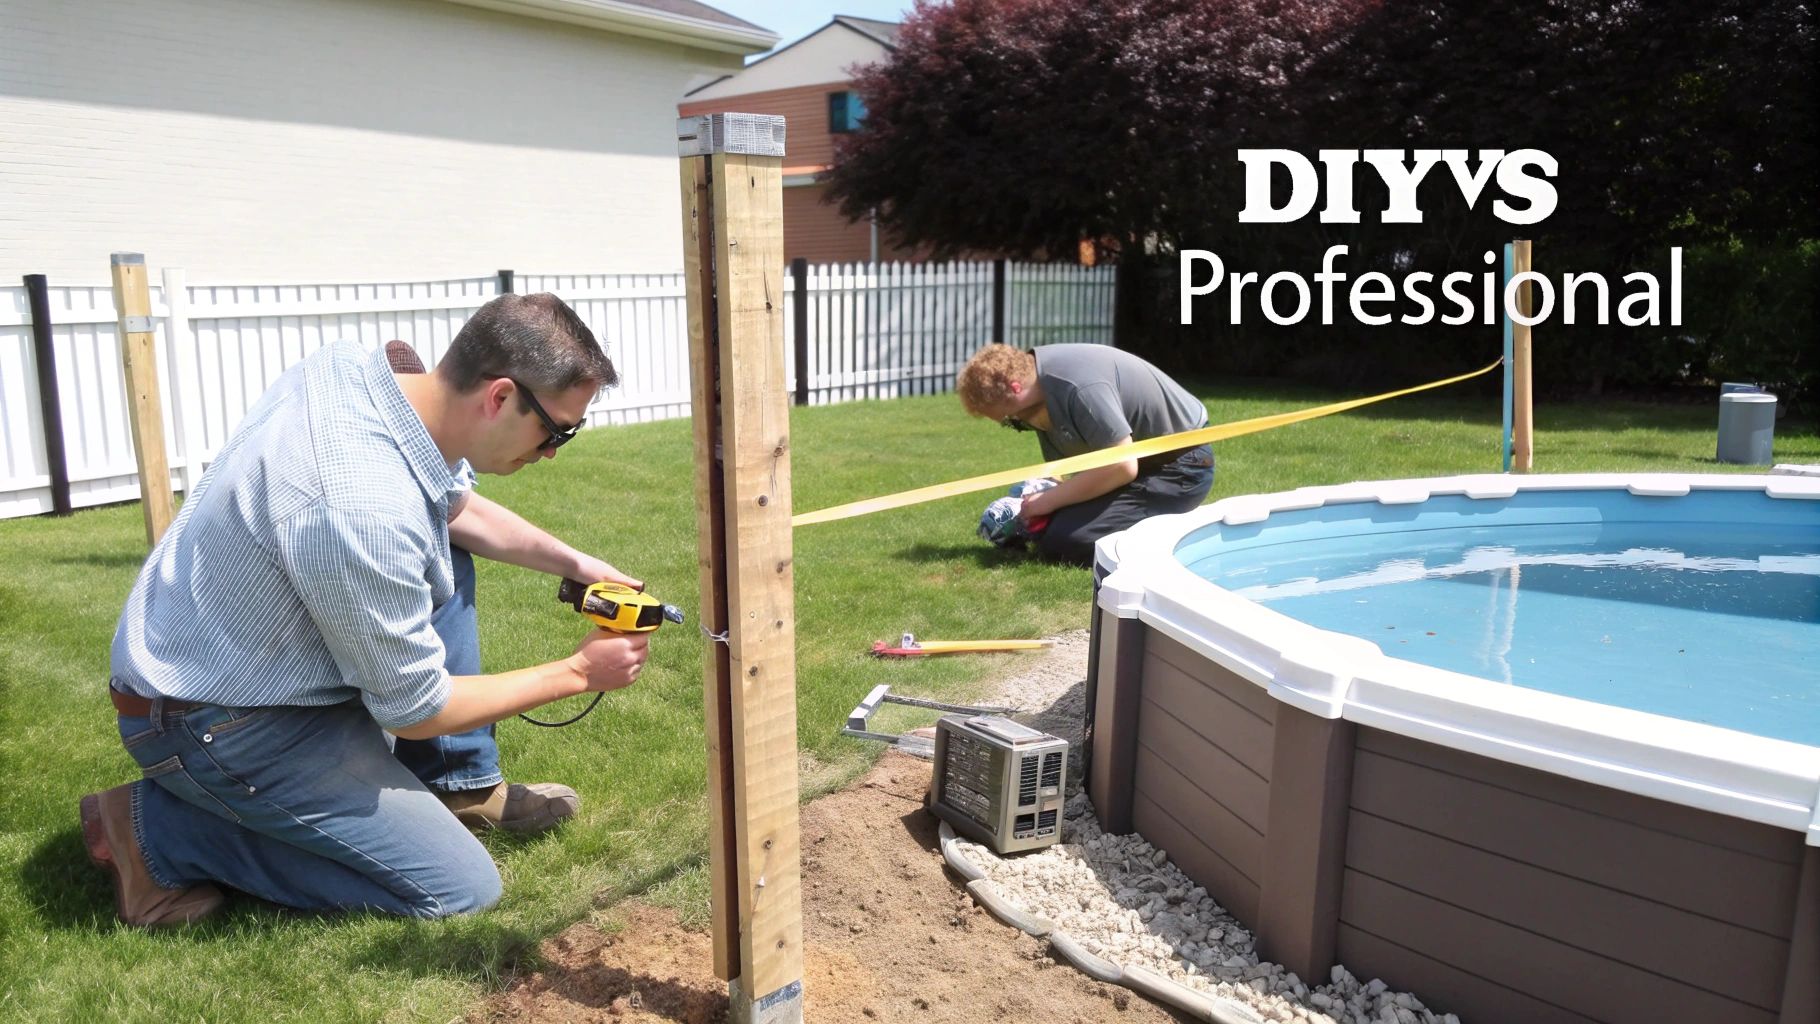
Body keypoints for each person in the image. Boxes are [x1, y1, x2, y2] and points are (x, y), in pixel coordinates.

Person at [80, 293, 649, 928]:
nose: (553, 451)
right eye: (558, 431)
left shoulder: (356, 373)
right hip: (218, 722)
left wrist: (577, 564)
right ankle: (156, 832)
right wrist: (578, 673)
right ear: (498, 397)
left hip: (226, 667)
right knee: (460, 889)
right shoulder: (363, 512)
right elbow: (417, 710)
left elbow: (454, 506)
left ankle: (453, 787)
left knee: (442, 545)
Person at [956, 343, 1215, 565]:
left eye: (1010, 419)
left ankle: (1181, 529)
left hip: (1180, 466)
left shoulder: (1078, 386)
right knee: (1054, 527)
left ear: (1015, 388)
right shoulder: (1038, 385)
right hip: (1135, 465)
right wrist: (1045, 496)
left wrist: (1047, 501)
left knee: (1066, 542)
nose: (1015, 423)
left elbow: (1122, 466)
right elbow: (1080, 465)